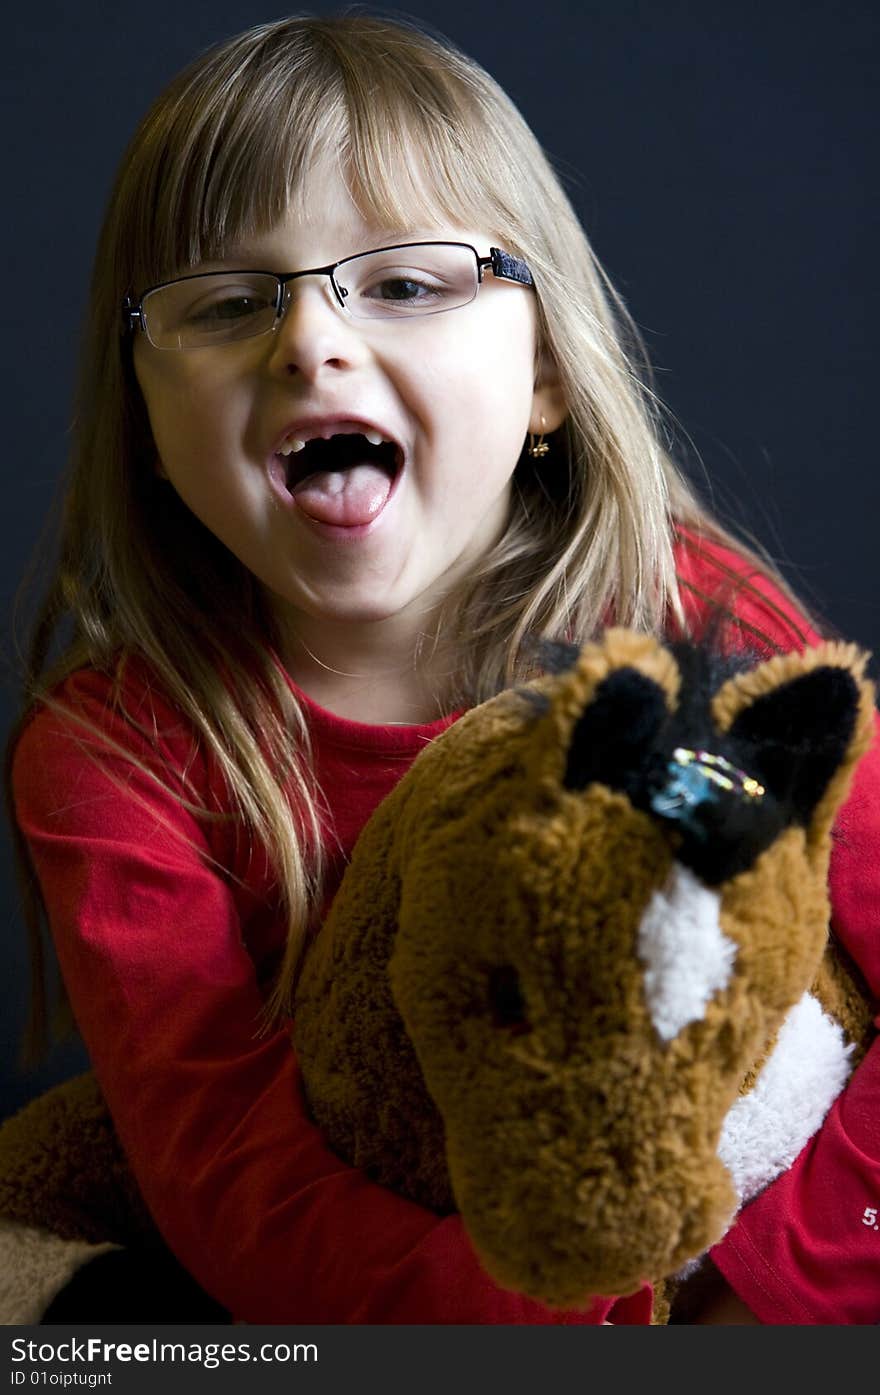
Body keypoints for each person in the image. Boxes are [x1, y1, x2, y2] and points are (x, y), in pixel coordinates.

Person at [5, 13, 879, 1325]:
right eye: (231, 302)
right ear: (146, 421)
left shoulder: (693, 625)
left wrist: (771, 1293)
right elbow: (237, 1184)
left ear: (546, 381)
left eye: (408, 284)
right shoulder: (114, 758)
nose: (309, 342)